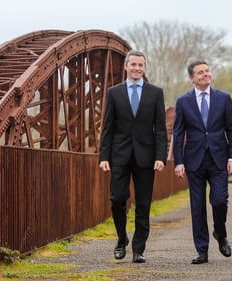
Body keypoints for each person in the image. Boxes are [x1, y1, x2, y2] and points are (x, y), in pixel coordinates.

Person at [99, 50, 167, 264]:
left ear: (145, 68)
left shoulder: (155, 93)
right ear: (126, 67)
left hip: (146, 157)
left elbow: (161, 130)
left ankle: (139, 249)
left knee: (144, 204)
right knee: (118, 199)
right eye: (134, 64)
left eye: (141, 65)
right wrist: (104, 156)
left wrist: (161, 156)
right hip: (120, 155)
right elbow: (107, 127)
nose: (137, 68)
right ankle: (121, 240)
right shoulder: (114, 92)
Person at [173, 60, 232, 264]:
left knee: (219, 200)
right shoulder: (183, 101)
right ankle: (202, 250)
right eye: (200, 72)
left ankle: (220, 233)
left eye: (207, 71)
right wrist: (178, 161)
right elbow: (178, 134)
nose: (205, 74)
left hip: (219, 158)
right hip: (194, 160)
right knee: (197, 206)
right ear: (192, 78)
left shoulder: (224, 98)